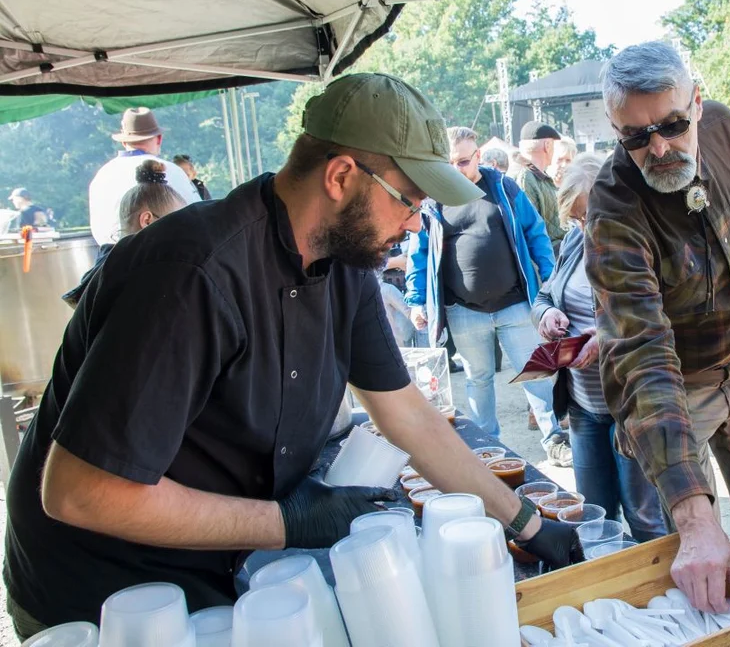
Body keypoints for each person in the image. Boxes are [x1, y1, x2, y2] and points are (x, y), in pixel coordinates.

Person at [3, 74, 582, 639]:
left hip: (220, 570)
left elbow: (408, 415)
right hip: (103, 600)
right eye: (410, 200)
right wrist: (289, 521)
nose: (415, 223)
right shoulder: (193, 274)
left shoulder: (346, 266)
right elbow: (81, 491)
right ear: (340, 176)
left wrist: (525, 522)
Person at [585, 41, 730, 615]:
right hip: (680, 391)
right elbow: (641, 350)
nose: (659, 147)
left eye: (672, 124)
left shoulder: (723, 128)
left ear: (697, 102)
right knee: (689, 544)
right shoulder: (614, 203)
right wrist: (695, 519)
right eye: (636, 137)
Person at [405, 126, 572, 467]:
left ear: (478, 156)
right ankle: (487, 447)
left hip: (515, 305)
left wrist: (550, 280)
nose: (456, 170)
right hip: (464, 311)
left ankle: (554, 438)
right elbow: (419, 251)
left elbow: (535, 231)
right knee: (477, 380)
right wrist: (415, 300)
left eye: (463, 162)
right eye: (448, 163)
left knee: (535, 373)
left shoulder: (504, 188)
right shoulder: (434, 200)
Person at [533, 153, 667, 541]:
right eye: (575, 218)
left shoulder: (642, 244)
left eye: (590, 215)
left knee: (645, 518)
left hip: (630, 405)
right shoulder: (575, 240)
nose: (582, 226)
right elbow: (546, 292)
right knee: (593, 515)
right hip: (584, 406)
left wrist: (603, 338)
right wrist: (546, 314)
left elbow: (662, 321)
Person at [62, 160, 188, 307]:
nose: (179, 236)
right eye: (174, 226)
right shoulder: (133, 273)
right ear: (146, 220)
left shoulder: (104, 267)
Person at [88, 107, 201, 249]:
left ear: (124, 142)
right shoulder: (173, 171)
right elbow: (197, 219)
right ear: (159, 139)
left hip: (109, 260)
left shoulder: (101, 176)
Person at [514, 120, 566, 254]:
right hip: (548, 260)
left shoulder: (538, 176)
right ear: (547, 145)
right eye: (553, 145)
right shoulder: (525, 177)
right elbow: (530, 233)